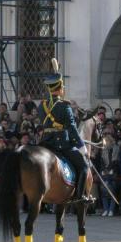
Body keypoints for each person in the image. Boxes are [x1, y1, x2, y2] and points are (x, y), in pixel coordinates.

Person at [37, 58, 91, 203]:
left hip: (45, 143)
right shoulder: (64, 106)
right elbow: (72, 129)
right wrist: (82, 148)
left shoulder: (41, 106)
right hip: (61, 144)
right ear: (60, 88)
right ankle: (80, 198)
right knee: (84, 167)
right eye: (63, 87)